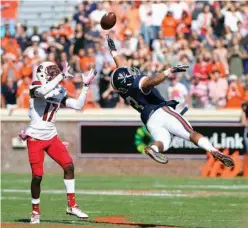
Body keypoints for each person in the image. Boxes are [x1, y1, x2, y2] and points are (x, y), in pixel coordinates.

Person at [106, 34, 234, 167]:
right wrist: (170, 70)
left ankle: (153, 149)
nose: (129, 70)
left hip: (148, 120)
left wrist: (113, 51)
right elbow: (152, 81)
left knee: (163, 143)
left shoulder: (124, 90)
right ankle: (214, 150)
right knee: (191, 133)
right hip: (160, 110)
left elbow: (121, 69)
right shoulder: (139, 83)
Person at [18, 61, 96, 224]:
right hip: (35, 138)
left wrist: (86, 86)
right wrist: (60, 76)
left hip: (51, 136)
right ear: (42, 73)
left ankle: (72, 205)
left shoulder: (59, 89)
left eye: (55, 72)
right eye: (51, 72)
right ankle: (35, 211)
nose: (54, 74)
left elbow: (78, 105)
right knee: (37, 176)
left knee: (69, 166)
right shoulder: (36, 85)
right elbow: (43, 91)